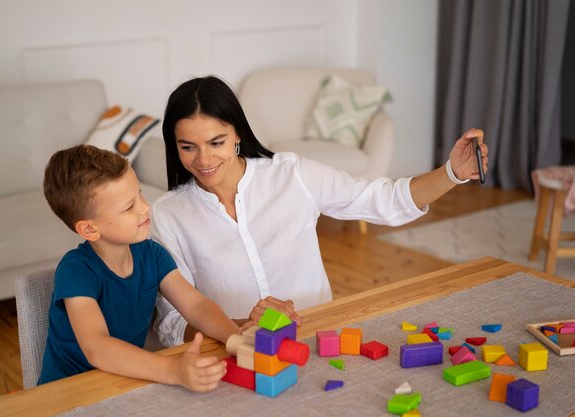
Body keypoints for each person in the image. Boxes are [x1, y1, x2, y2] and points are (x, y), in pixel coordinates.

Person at [150, 75, 488, 348]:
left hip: (318, 341)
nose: (204, 160)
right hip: (233, 354)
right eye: (188, 147)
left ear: (237, 134)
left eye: (216, 142)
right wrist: (243, 329)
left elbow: (383, 200)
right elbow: (172, 325)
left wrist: (452, 173)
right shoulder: (168, 216)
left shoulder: (291, 175)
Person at [39, 144, 244, 392]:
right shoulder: (75, 270)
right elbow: (98, 347)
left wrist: (235, 338)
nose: (146, 207)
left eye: (140, 194)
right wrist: (173, 370)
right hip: (68, 394)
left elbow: (196, 306)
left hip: (123, 383)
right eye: (129, 207)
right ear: (90, 229)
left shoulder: (152, 254)